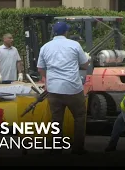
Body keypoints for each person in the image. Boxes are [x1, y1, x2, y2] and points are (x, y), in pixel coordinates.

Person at [37, 21, 90, 155]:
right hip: (73, 89)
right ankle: (77, 148)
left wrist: (48, 79)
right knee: (79, 117)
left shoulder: (45, 47)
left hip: (54, 90)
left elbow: (40, 68)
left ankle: (57, 148)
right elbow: (84, 65)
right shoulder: (74, 45)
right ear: (66, 32)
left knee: (56, 120)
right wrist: (87, 59)